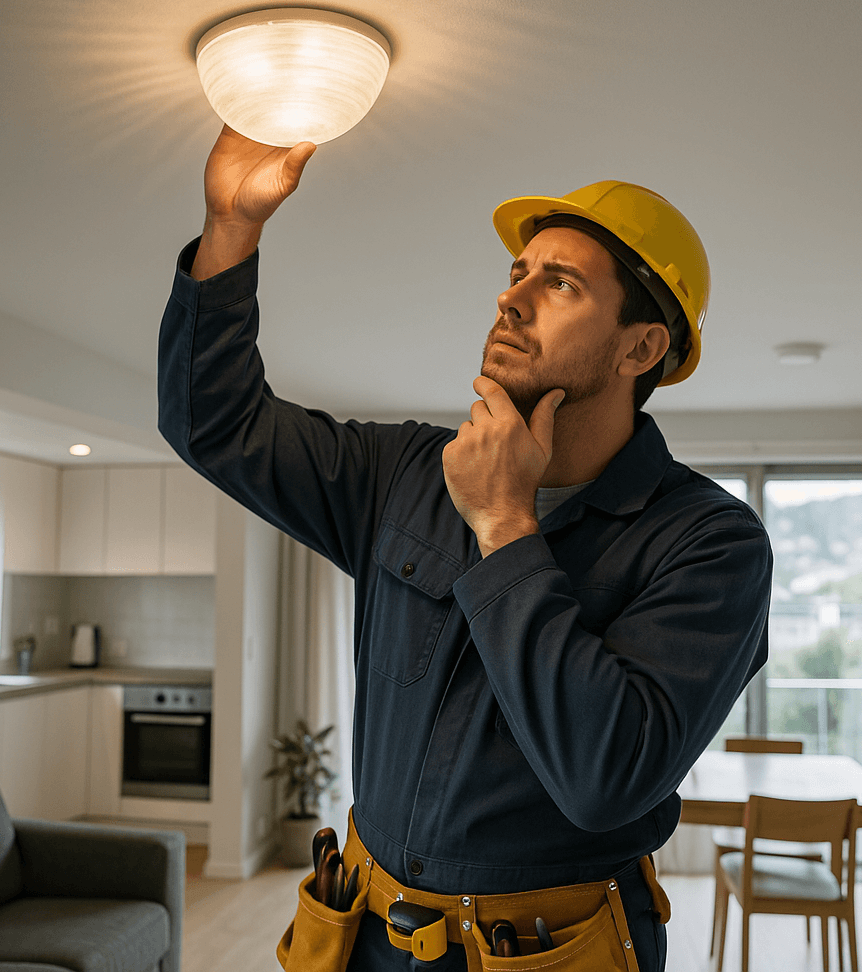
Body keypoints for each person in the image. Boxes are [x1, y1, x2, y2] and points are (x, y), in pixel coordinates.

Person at [158, 125, 773, 972]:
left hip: (552, 954)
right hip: (361, 938)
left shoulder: (710, 543)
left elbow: (607, 779)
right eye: (517, 274)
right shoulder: (406, 472)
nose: (510, 300)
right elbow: (214, 424)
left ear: (642, 347)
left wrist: (506, 527)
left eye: (560, 284)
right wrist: (231, 229)